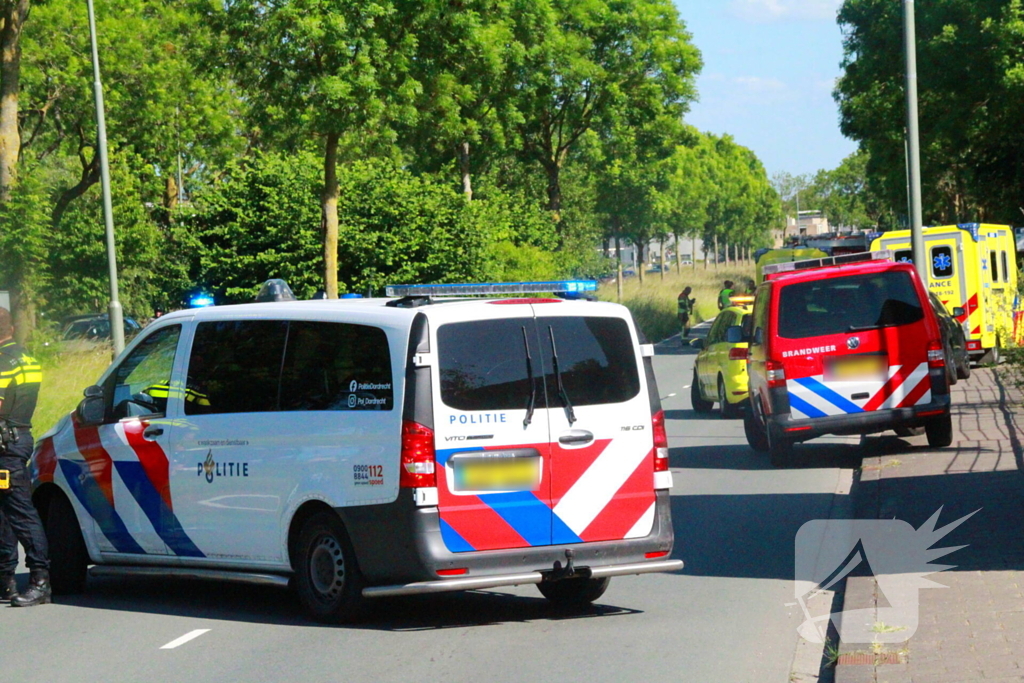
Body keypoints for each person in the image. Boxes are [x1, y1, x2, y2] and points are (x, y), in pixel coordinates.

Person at [0, 307, 51, 606]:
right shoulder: (27, 358)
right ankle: (6, 581)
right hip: (18, 437)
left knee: (19, 512)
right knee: (5, 511)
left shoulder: (3, 362)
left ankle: (39, 581)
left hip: (6, 445)